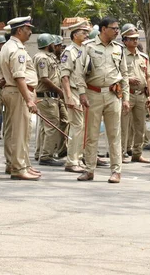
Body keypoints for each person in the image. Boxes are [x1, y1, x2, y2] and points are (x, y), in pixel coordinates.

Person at [77, 17, 130, 183]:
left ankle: (116, 171)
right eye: (114, 28)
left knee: (114, 135)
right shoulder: (88, 47)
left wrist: (126, 98)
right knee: (91, 134)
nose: (117, 31)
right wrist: (82, 94)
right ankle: (89, 169)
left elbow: (125, 75)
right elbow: (78, 73)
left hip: (113, 95)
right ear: (103, 29)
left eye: (118, 28)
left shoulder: (119, 49)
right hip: (93, 94)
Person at [0, 16, 41, 181]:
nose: (30, 32)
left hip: (12, 91)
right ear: (19, 30)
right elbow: (19, 76)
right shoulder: (16, 49)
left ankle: (16, 164)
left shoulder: (8, 46)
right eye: (27, 29)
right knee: (20, 132)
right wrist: (29, 99)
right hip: (18, 92)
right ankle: (18, 168)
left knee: (12, 131)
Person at [59, 20, 91, 173]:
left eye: (86, 32)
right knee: (76, 127)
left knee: (81, 128)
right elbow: (64, 76)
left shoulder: (83, 49)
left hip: (82, 91)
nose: (86, 35)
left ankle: (77, 158)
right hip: (73, 91)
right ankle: (72, 161)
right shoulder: (69, 51)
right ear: (74, 34)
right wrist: (69, 97)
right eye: (83, 32)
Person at [120, 24, 150, 164]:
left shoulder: (143, 57)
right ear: (125, 40)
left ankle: (137, 153)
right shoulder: (119, 56)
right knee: (123, 126)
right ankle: (121, 153)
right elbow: (114, 75)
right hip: (126, 95)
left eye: (136, 39)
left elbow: (148, 77)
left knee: (140, 126)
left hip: (141, 95)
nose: (135, 41)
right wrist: (127, 79)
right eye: (132, 39)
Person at [33, 34, 64, 166]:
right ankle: (46, 156)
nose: (55, 45)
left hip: (49, 96)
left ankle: (41, 152)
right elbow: (44, 79)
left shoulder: (47, 57)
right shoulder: (42, 58)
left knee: (45, 127)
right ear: (48, 44)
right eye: (53, 43)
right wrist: (59, 91)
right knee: (52, 126)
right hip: (47, 97)